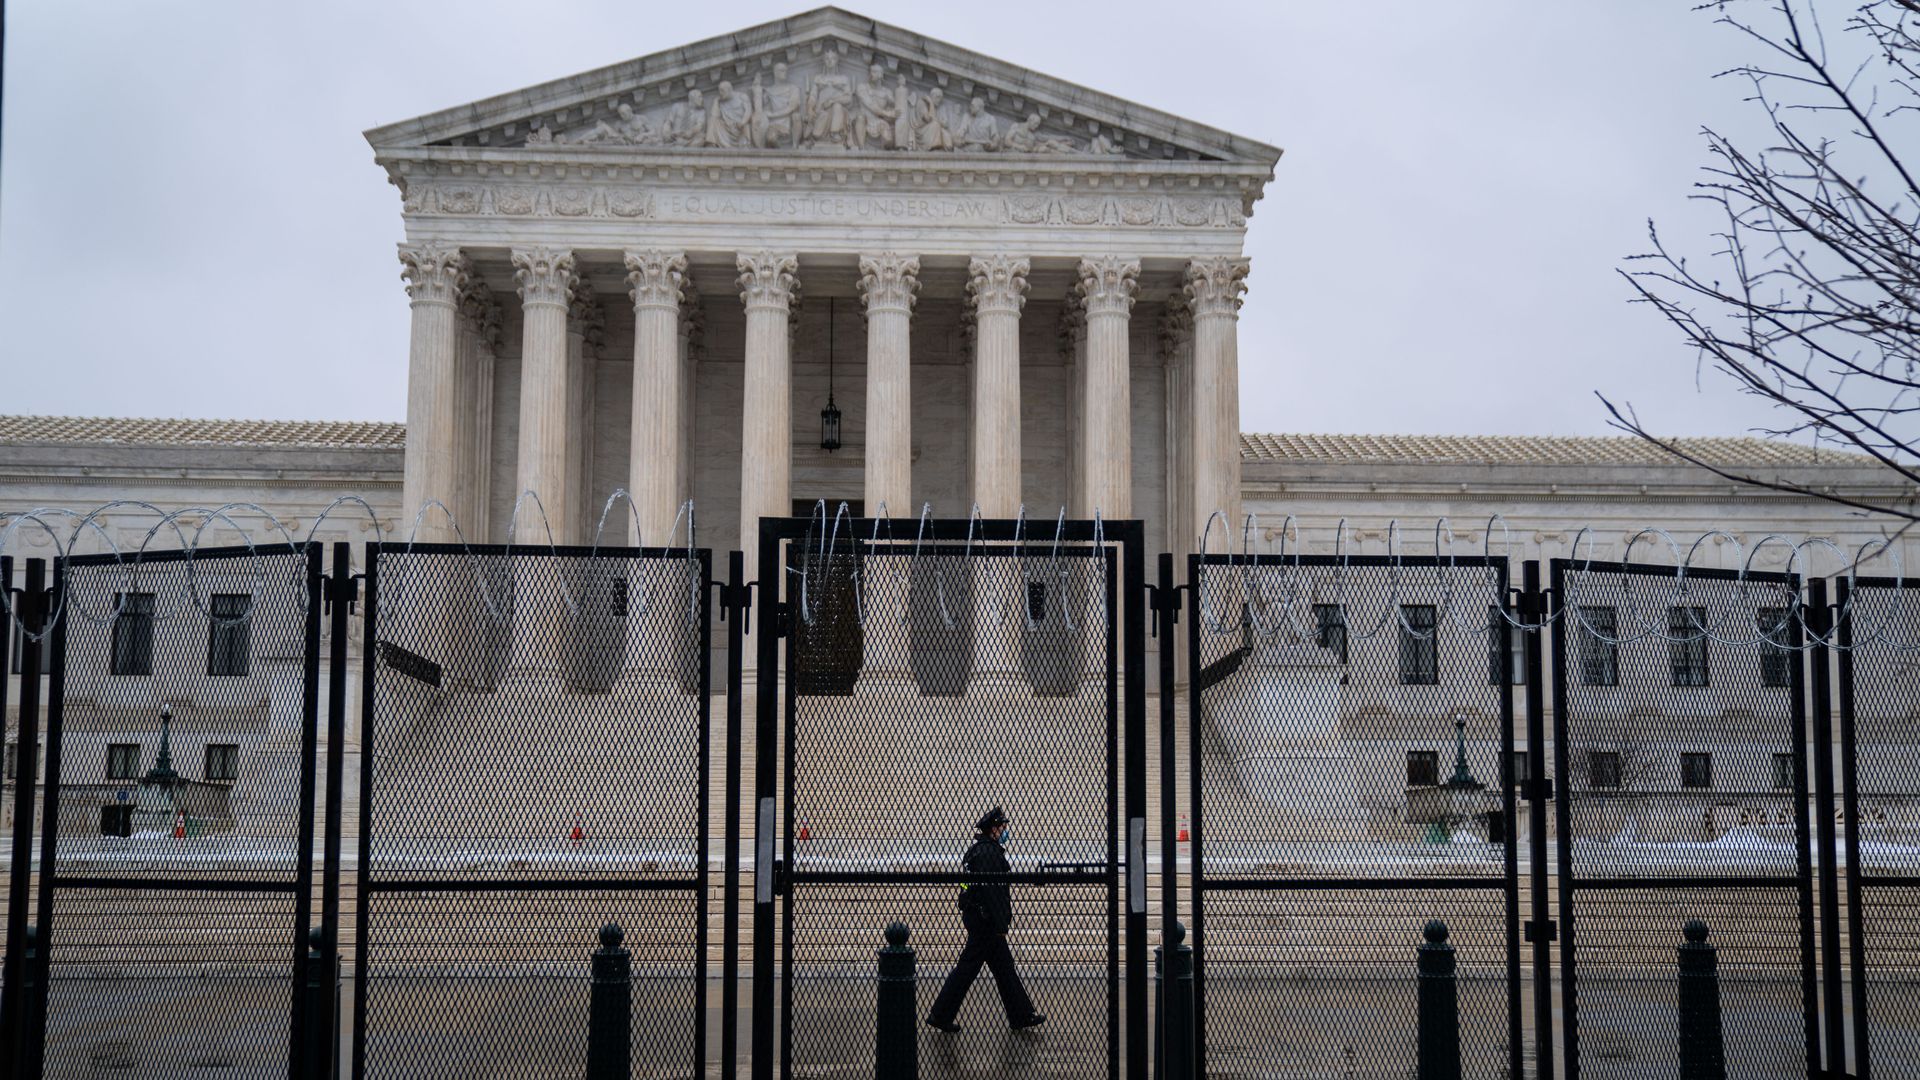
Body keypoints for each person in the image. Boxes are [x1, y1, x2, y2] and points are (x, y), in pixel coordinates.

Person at [925, 806, 1046, 1033]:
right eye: (1002, 828)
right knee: (969, 969)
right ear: (993, 830)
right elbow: (994, 893)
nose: (1005, 831)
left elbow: (966, 885)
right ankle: (940, 1014)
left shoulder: (976, 852)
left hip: (980, 919)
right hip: (987, 923)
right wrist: (1001, 924)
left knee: (1003, 969)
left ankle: (1021, 1015)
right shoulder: (990, 854)